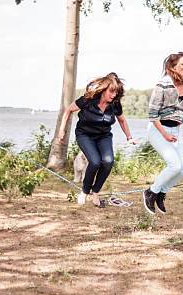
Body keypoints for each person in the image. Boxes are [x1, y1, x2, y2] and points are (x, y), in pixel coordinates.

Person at [57, 73, 135, 207]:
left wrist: (129, 137)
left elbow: (122, 120)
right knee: (95, 161)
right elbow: (68, 110)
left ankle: (96, 192)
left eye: (116, 92)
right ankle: (84, 191)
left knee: (108, 161)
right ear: (104, 89)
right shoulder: (88, 99)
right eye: (111, 91)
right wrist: (62, 130)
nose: (113, 95)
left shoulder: (115, 104)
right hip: (85, 134)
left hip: (103, 136)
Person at [143, 52, 183, 214]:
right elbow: (152, 114)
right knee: (174, 165)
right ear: (173, 66)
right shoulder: (162, 85)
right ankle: (150, 192)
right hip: (158, 129)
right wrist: (165, 135)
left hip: (176, 131)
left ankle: (161, 193)